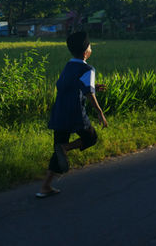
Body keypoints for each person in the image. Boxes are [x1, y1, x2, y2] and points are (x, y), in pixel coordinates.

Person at [36, 31, 108, 198]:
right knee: (91, 137)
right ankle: (66, 148)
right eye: (90, 46)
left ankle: (45, 187)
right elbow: (90, 94)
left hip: (59, 112)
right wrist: (100, 113)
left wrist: (92, 86)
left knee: (58, 149)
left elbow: (67, 85)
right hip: (75, 113)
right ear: (85, 52)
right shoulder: (88, 68)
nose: (91, 48)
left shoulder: (69, 66)